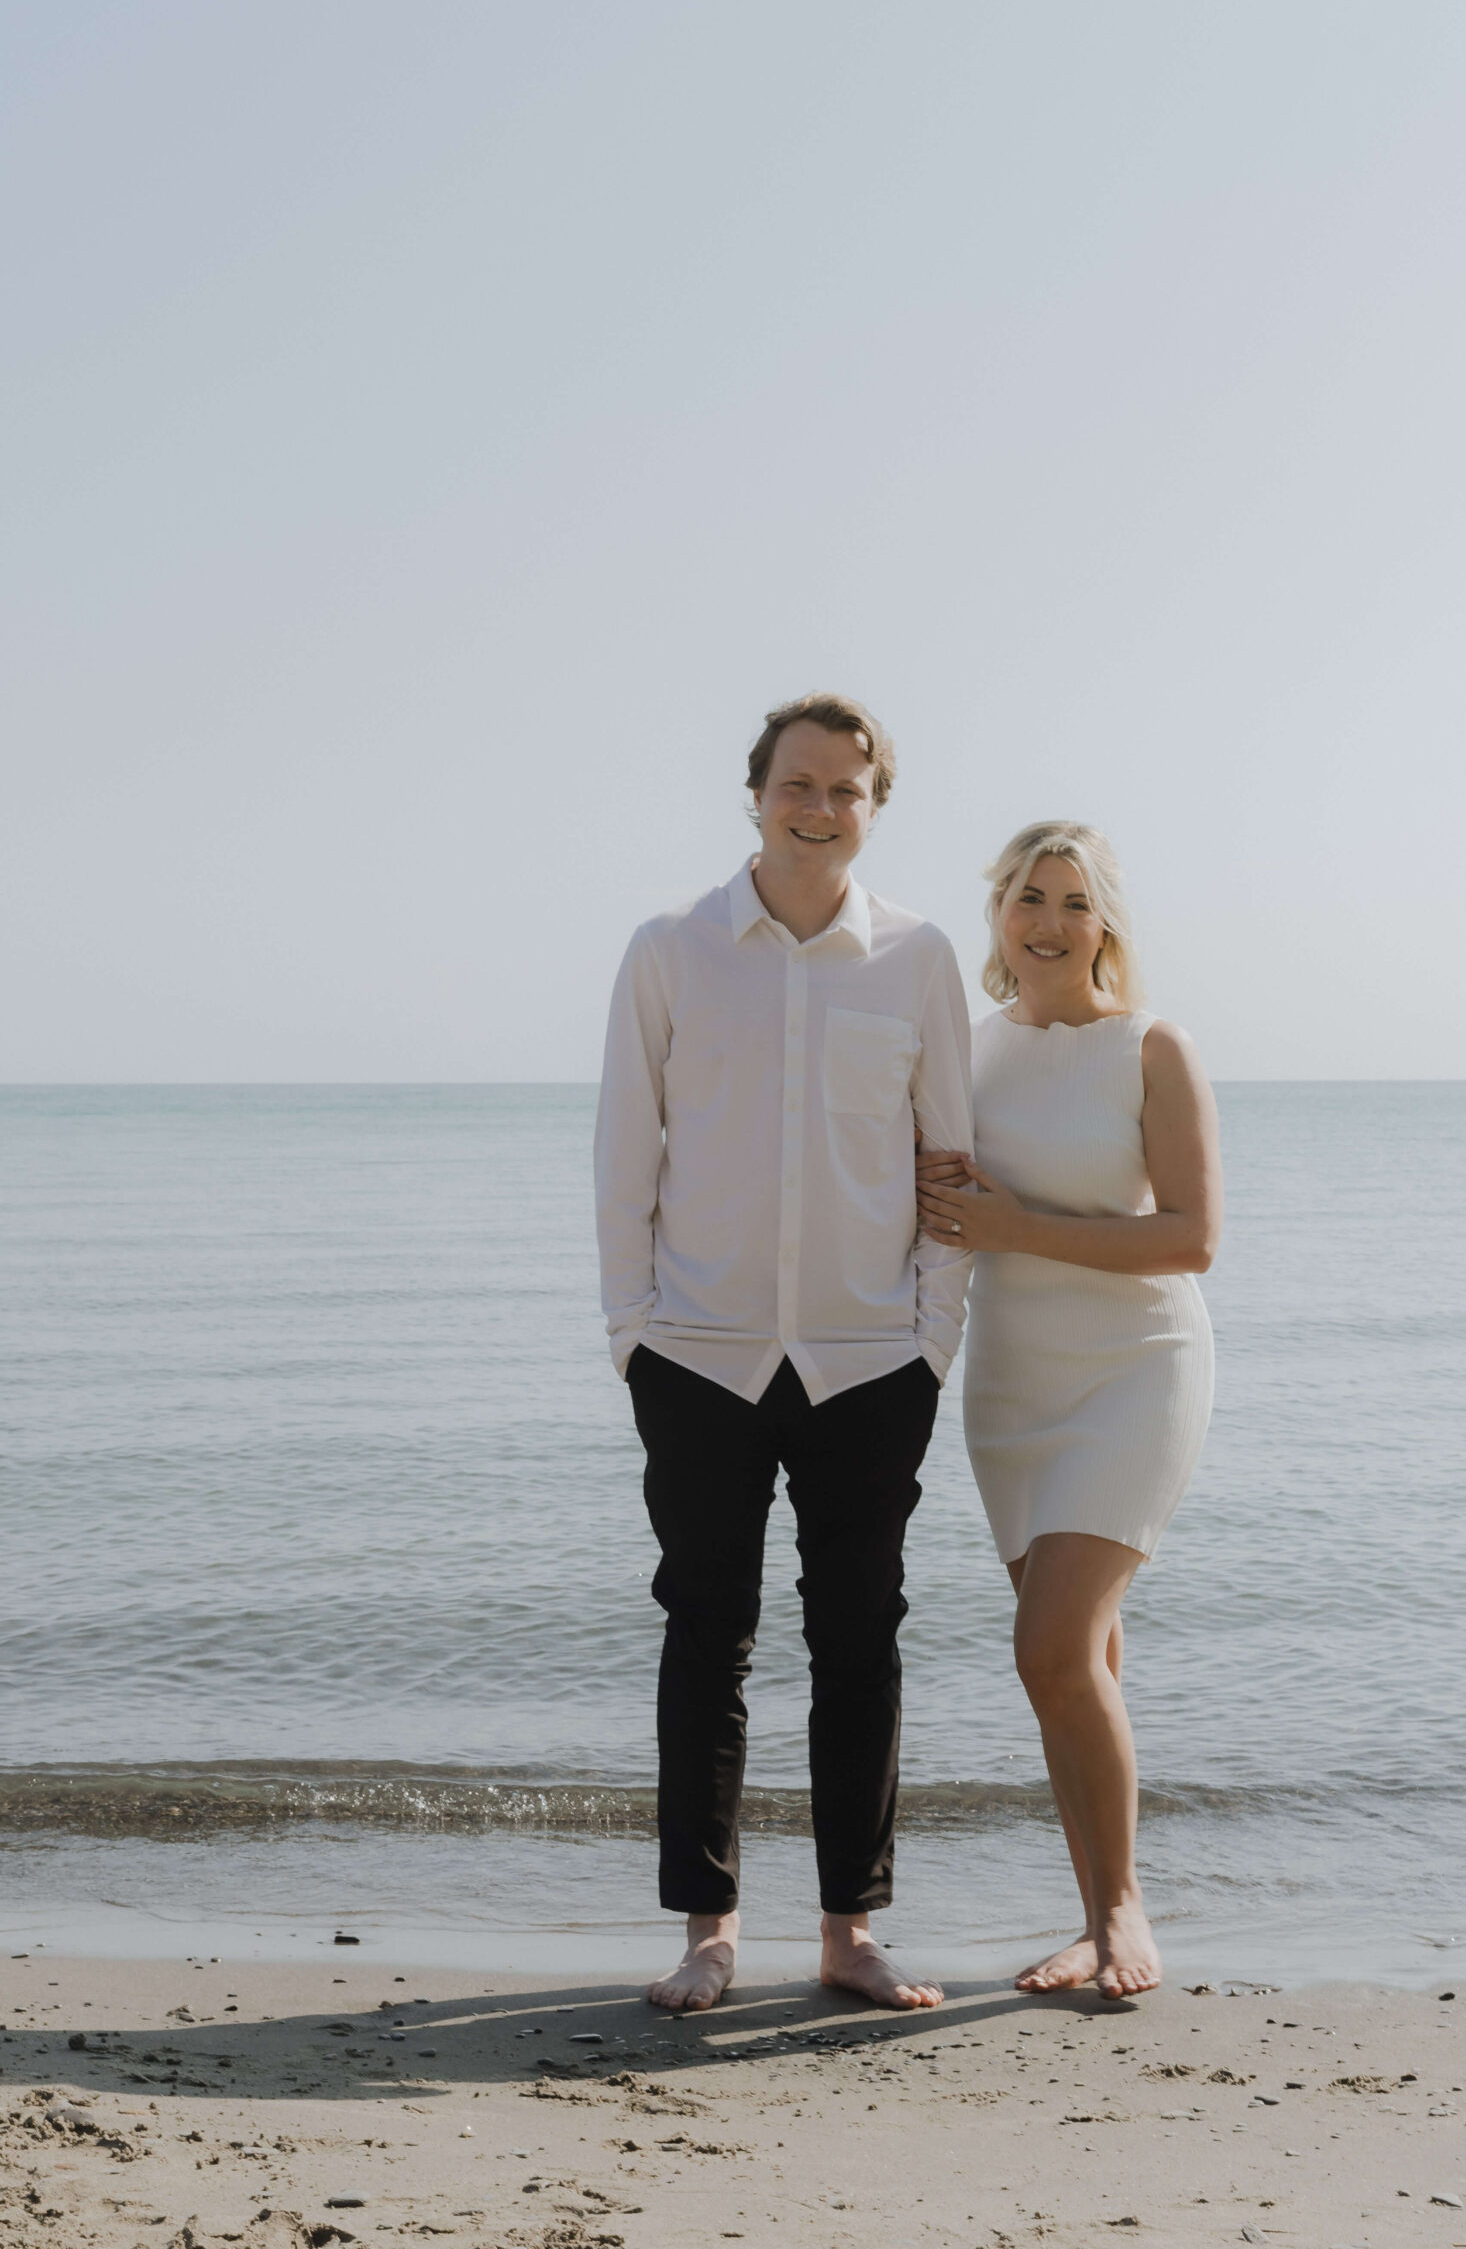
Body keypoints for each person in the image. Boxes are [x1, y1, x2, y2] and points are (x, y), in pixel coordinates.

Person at [594, 692, 973, 2014]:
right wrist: (631, 1331)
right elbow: (622, 1154)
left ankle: (848, 1933)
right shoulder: (670, 950)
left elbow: (946, 1161)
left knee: (857, 1639)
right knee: (705, 1634)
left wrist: (932, 1337)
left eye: (845, 791)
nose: (818, 808)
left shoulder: (915, 959)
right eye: (795, 784)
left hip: (870, 1361)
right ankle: (707, 1931)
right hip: (695, 1354)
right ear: (753, 792)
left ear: (873, 809)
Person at [916, 821, 1220, 2002]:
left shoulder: (1152, 1046)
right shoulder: (969, 1052)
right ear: (997, 913)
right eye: (1026, 898)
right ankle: (1096, 1918)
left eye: (1073, 902)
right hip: (1012, 1384)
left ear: (1107, 925)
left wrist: (1014, 1228)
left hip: (1136, 1367)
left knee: (1049, 1647)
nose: (1047, 923)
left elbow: (1190, 1237)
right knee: (1077, 1660)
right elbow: (929, 1192)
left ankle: (1123, 1914)